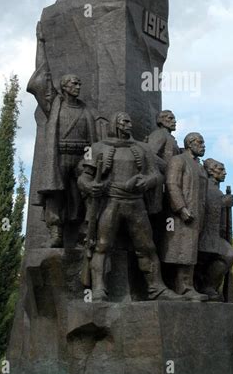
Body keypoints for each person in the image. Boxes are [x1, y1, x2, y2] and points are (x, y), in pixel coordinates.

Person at [78, 112, 184, 302]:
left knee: (147, 247)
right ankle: (99, 288)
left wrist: (147, 181)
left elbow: (158, 175)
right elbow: (84, 177)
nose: (129, 124)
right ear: (115, 124)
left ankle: (156, 288)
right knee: (102, 245)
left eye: (130, 121)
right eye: (125, 121)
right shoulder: (99, 147)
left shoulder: (142, 148)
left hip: (136, 203)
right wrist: (90, 186)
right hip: (111, 201)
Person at [27, 23, 97, 247]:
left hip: (82, 157)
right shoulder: (54, 103)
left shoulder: (86, 110)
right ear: (64, 87)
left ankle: (83, 230)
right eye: (73, 83)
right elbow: (42, 74)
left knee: (82, 193)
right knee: (56, 195)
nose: (78, 86)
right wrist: (41, 43)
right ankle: (56, 232)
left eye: (79, 83)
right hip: (59, 156)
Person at [159, 132, 209, 301]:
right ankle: (183, 287)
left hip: (198, 214)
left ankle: (188, 285)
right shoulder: (178, 160)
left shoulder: (200, 166)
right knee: (180, 250)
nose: (203, 145)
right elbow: (171, 184)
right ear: (189, 143)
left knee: (190, 250)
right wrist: (181, 208)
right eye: (200, 142)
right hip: (182, 215)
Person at [197, 158, 233, 301]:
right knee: (229, 255)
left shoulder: (218, 190)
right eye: (220, 170)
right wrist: (222, 203)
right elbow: (201, 206)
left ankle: (210, 287)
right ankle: (207, 286)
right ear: (210, 171)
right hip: (204, 234)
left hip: (216, 234)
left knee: (229, 256)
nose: (224, 172)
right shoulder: (204, 186)